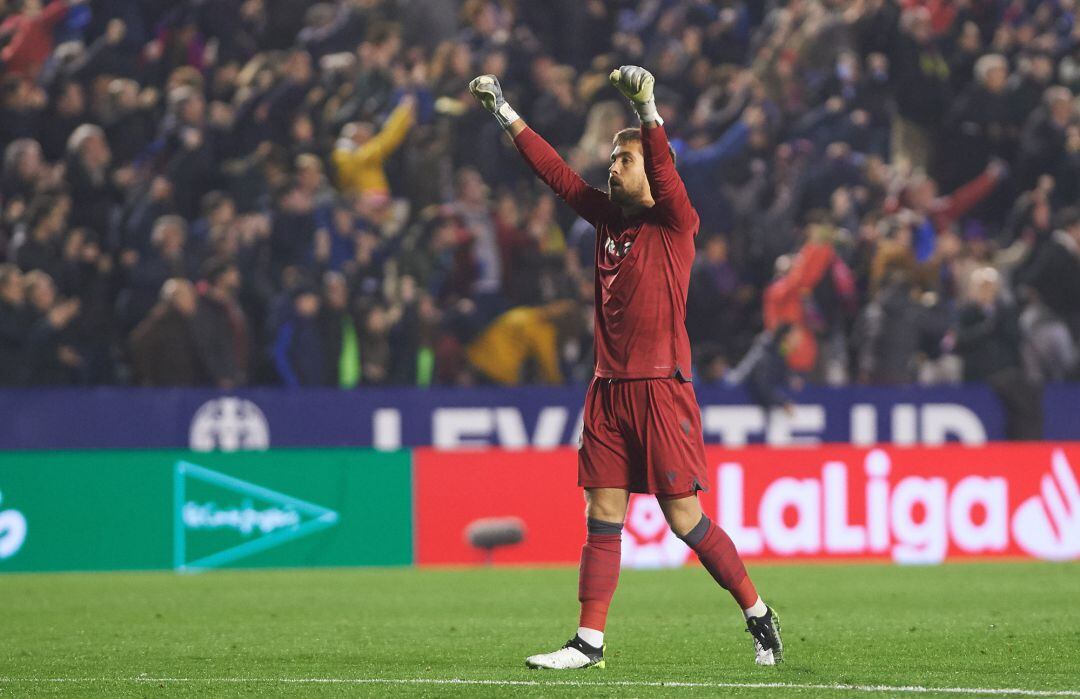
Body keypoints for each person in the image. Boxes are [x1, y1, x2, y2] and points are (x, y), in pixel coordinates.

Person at [470, 66, 783, 670]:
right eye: (613, 158)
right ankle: (588, 642)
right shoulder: (607, 220)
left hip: (661, 391)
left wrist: (649, 112)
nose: (613, 167)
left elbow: (664, 170)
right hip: (607, 392)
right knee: (602, 513)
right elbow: (557, 176)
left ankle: (757, 612)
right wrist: (504, 111)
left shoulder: (676, 224)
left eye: (625, 160)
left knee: (684, 519)